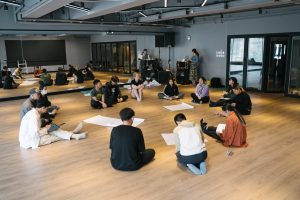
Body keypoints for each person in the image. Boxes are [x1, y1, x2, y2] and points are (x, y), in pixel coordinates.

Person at [19, 99, 87, 149]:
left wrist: (46, 128)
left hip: (32, 135)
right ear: (43, 108)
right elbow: (34, 133)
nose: (47, 110)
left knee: (54, 130)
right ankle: (73, 134)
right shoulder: (34, 116)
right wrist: (46, 129)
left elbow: (35, 129)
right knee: (53, 137)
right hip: (30, 141)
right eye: (47, 109)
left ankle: (74, 135)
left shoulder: (34, 112)